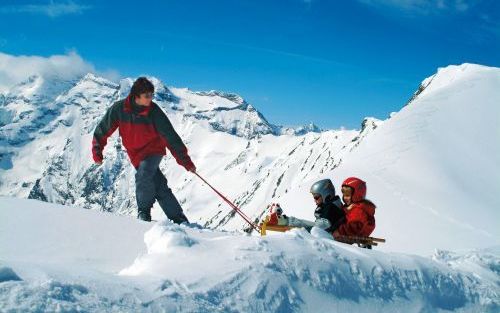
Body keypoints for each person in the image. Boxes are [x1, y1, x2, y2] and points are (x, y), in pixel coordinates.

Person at [92, 77, 196, 223]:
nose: (150, 99)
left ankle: (143, 213)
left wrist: (186, 162)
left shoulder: (154, 112)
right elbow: (102, 130)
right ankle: (179, 218)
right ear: (136, 96)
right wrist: (97, 151)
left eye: (152, 95)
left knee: (144, 174)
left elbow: (171, 137)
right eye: (147, 96)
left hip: (154, 150)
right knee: (158, 185)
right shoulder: (119, 109)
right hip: (135, 153)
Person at [267, 179, 345, 234]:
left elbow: (317, 229)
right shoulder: (333, 205)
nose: (314, 200)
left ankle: (280, 220)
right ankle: (281, 220)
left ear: (326, 195)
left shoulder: (331, 209)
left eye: (316, 197)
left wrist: (288, 221)